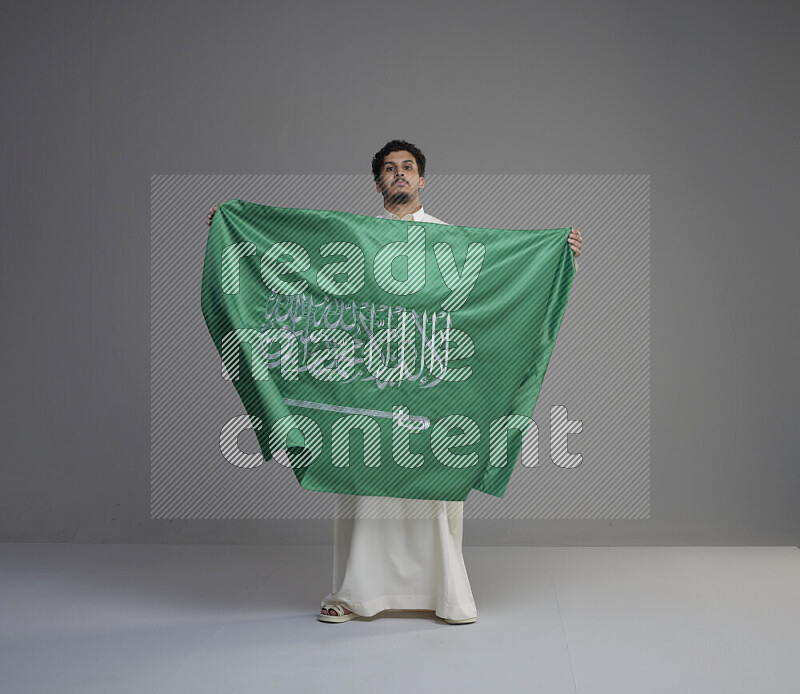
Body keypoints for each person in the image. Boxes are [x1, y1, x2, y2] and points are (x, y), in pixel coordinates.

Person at [205, 140, 583, 625]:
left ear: (423, 180)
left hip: (432, 386)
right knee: (364, 489)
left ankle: (447, 595)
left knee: (433, 482)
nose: (400, 174)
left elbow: (502, 286)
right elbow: (291, 262)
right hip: (366, 384)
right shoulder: (353, 241)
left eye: (408, 168)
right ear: (379, 182)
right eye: (390, 169)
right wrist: (231, 232)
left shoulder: (455, 244)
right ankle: (354, 593)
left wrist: (556, 256)